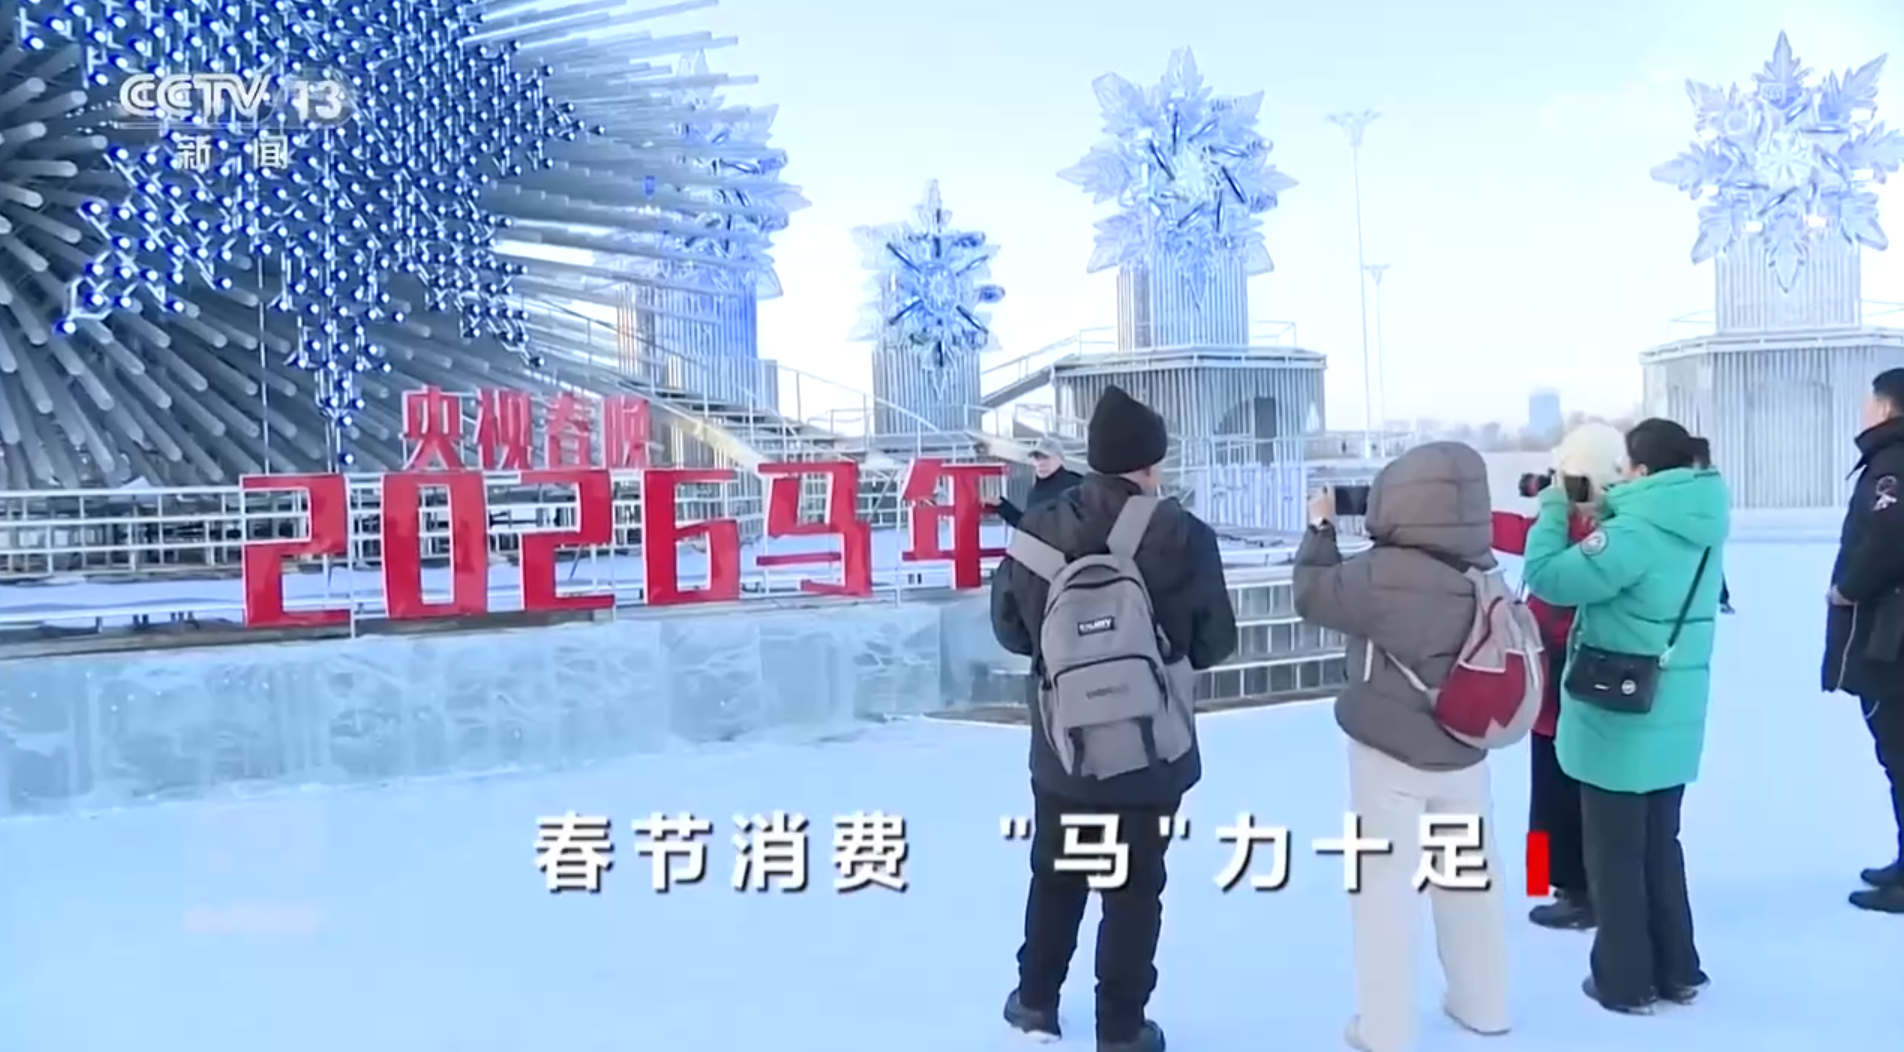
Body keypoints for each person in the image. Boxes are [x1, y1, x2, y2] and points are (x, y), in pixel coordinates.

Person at [990, 384, 1237, 1052]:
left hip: (1064, 748)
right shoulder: (1184, 535)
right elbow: (1215, 643)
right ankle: (1122, 1027)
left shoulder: (1039, 526)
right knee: (1134, 889)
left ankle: (1035, 1001)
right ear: (1151, 464)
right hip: (1151, 752)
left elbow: (1010, 630)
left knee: (1058, 871)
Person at [1292, 441, 1514, 1052]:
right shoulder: (1485, 567)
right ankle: (1484, 1004)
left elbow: (1311, 595)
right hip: (1465, 748)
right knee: (1469, 876)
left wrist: (1320, 529)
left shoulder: (1380, 572)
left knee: (1384, 887)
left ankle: (1385, 1028)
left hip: (1387, 753)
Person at [1521, 418, 1728, 1014]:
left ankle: (1624, 977)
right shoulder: (1699, 518)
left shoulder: (1632, 534)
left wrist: (1553, 504)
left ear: (1638, 470)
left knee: (1611, 851)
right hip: (1673, 707)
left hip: (1615, 709)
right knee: (1661, 845)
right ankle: (1678, 968)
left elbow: (1548, 576)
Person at [1491, 422, 1625, 930]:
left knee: (1556, 791)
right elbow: (1515, 531)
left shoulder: (1581, 534)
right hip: (1572, 679)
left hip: (1567, 676)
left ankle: (1571, 888)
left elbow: (1527, 544)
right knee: (1556, 788)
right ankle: (1552, 880)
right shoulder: (1605, 527)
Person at [1822, 368, 1904, 914]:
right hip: (1889, 631)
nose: (1864, 410)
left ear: (1886, 407)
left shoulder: (1892, 464)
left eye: (1870, 401)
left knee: (1900, 752)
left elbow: (1888, 537)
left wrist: (1849, 588)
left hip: (1891, 635)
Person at [993, 436, 1084, 527]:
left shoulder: (1077, 487)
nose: (1041, 463)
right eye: (1037, 458)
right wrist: (1002, 506)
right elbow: (1028, 527)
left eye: (1046, 457)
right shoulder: (1034, 492)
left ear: (1060, 459)